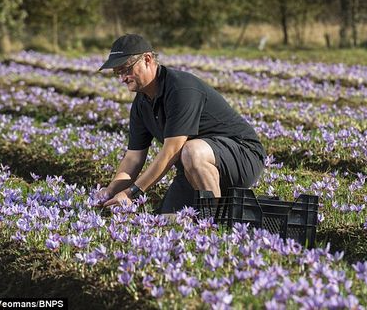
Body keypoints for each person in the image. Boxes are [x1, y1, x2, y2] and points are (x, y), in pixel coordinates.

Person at [96, 33, 266, 213]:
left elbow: (172, 150)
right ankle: (213, 210)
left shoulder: (180, 89)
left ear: (147, 59)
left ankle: (213, 222)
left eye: (126, 69)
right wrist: (110, 191)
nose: (122, 78)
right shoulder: (141, 104)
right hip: (192, 168)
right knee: (166, 221)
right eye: (117, 72)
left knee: (191, 151)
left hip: (242, 155)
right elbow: (133, 158)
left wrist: (133, 192)